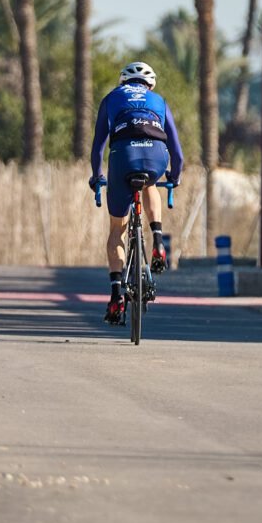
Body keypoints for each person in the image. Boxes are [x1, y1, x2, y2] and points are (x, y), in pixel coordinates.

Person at [89, 61, 184, 325]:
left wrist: (97, 177)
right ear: (150, 84)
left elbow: (98, 147)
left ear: (123, 82)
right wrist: (173, 178)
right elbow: (176, 152)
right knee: (150, 183)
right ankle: (157, 239)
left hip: (123, 158)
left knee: (117, 230)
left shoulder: (111, 99)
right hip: (155, 157)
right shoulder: (159, 101)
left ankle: (116, 295)